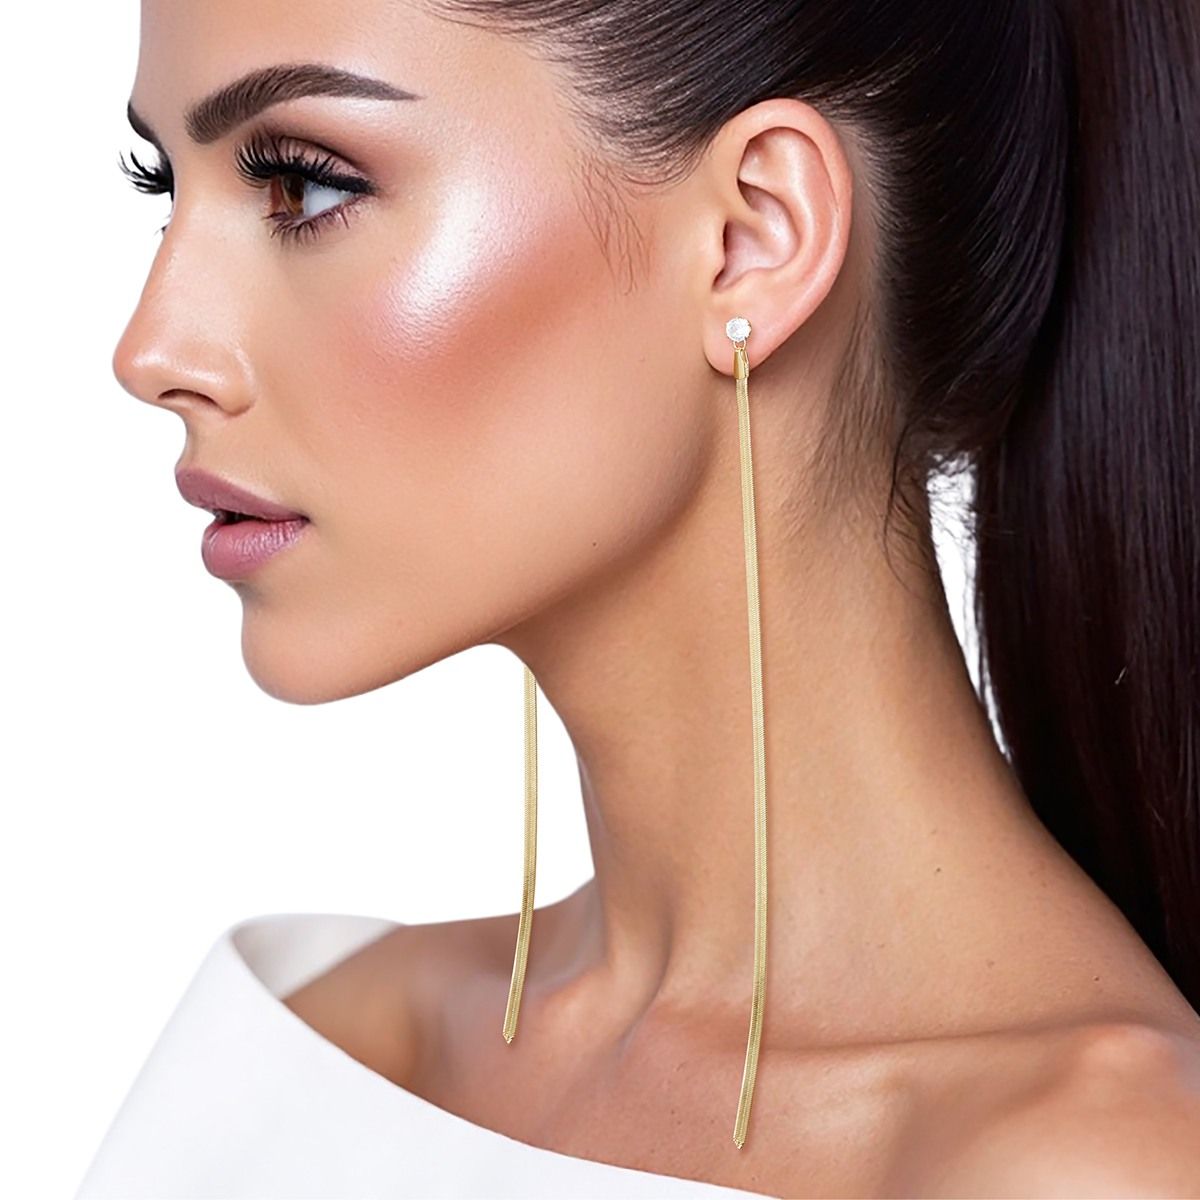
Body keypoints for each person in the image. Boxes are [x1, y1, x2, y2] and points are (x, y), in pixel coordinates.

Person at [79, 0, 1200, 1196]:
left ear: (753, 237)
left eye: (304, 187)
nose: (151, 351)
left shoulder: (1095, 1165)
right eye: (164, 183)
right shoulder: (314, 1047)